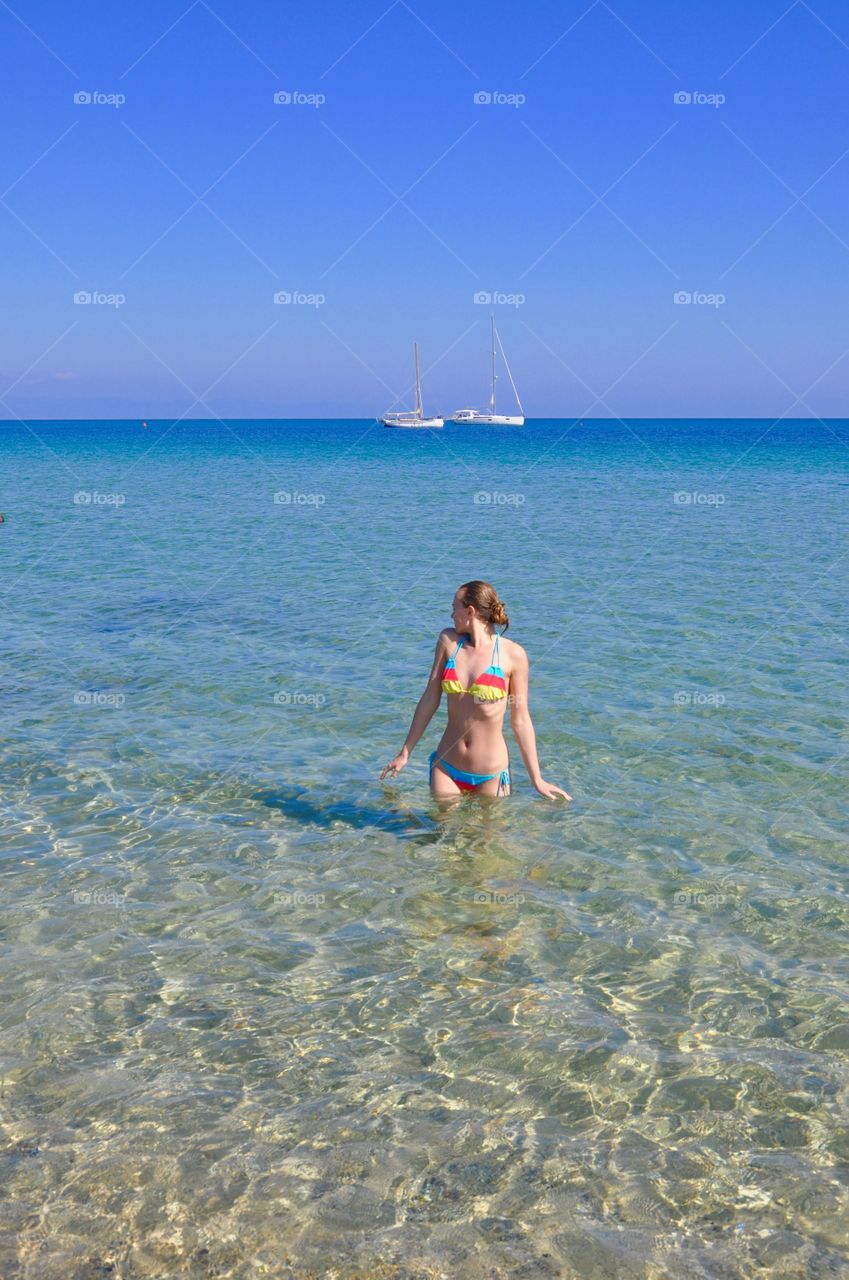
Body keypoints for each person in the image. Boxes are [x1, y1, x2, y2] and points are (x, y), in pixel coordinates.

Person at [380, 580, 571, 802]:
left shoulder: (513, 655)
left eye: (454, 608)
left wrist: (536, 778)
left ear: (470, 611)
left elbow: (520, 720)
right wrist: (405, 753)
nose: (451, 615)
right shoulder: (448, 642)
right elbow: (430, 699)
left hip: (491, 774)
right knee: (442, 834)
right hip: (447, 767)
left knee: (488, 837)